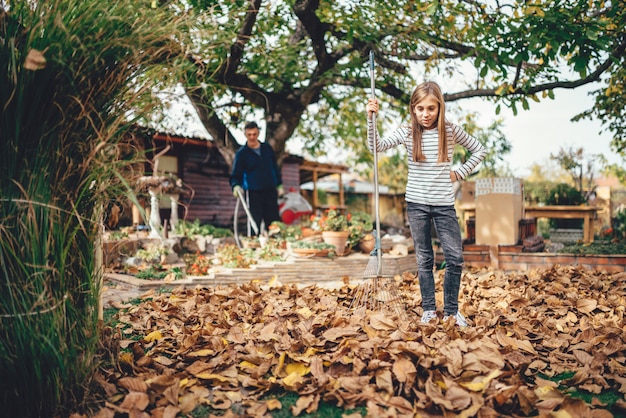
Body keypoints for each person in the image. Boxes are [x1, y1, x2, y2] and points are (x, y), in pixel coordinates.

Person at [366, 81, 486, 327]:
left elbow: (479, 150)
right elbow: (376, 147)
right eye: (420, 109)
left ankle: (452, 311)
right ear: (413, 109)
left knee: (455, 257)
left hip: (443, 204)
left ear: (440, 108)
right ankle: (429, 310)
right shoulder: (408, 132)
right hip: (417, 203)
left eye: (431, 108)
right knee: (424, 258)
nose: (425, 114)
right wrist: (371, 119)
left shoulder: (450, 131)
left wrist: (458, 173)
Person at [230, 121, 284, 235]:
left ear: (258, 133)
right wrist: (235, 186)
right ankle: (255, 247)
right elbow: (235, 174)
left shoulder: (267, 148)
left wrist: (279, 184)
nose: (252, 137)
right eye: (249, 134)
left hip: (270, 189)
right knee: (255, 221)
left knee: (273, 220)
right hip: (253, 192)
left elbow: (275, 167)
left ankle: (276, 246)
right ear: (245, 134)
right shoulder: (242, 154)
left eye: (254, 134)